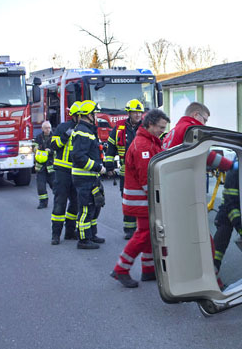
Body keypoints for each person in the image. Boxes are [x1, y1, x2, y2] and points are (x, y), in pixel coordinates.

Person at [111, 109, 170, 288]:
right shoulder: (143, 146)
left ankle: (148, 270)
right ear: (150, 124)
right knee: (144, 235)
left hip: (142, 200)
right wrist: (159, 199)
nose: (162, 130)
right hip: (143, 200)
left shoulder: (149, 141)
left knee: (149, 235)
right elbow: (147, 179)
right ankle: (121, 269)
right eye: (160, 127)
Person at [104, 99, 144, 239]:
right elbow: (110, 148)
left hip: (143, 170)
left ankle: (145, 228)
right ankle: (129, 230)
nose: (138, 115)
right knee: (128, 200)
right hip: (126, 172)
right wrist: (109, 165)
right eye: (135, 112)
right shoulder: (119, 128)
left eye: (140, 112)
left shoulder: (147, 126)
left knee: (146, 199)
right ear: (129, 113)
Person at [71, 101, 106, 250]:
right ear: (89, 115)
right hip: (84, 176)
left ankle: (91, 234)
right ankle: (84, 240)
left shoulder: (88, 130)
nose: (96, 116)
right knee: (86, 208)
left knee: (93, 206)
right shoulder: (83, 131)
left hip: (90, 176)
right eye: (95, 114)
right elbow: (79, 156)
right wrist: (97, 166)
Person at [49, 102, 81, 245]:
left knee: (75, 203)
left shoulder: (85, 129)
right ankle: (56, 234)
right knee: (59, 203)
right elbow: (54, 145)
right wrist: (65, 137)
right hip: (62, 171)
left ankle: (69, 232)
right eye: (80, 115)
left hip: (78, 172)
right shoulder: (63, 127)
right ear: (74, 116)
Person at [212, 163, 242, 277]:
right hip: (227, 215)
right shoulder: (235, 172)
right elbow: (231, 206)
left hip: (240, 211)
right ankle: (212, 273)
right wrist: (241, 229)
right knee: (218, 250)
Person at [33, 121, 55, 209]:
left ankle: (59, 202)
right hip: (41, 167)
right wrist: (35, 148)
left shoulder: (54, 138)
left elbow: (58, 150)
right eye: (46, 128)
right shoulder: (38, 137)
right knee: (41, 187)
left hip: (51, 167)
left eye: (49, 128)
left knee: (55, 186)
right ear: (42, 129)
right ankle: (43, 203)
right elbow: (33, 147)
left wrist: (51, 151)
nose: (48, 129)